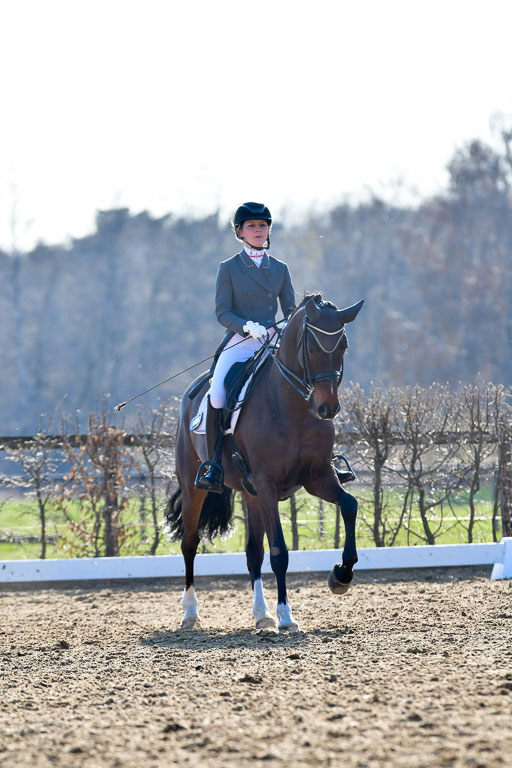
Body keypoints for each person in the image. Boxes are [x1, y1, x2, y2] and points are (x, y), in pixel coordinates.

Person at [195, 202, 296, 493]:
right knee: (216, 394)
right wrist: (246, 326)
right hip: (241, 342)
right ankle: (213, 464)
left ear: (268, 230)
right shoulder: (228, 268)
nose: (257, 230)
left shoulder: (280, 268)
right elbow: (222, 312)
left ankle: (322, 455)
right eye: (251, 226)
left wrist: (280, 327)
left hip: (272, 341)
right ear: (240, 232)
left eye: (262, 225)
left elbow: (290, 310)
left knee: (306, 381)